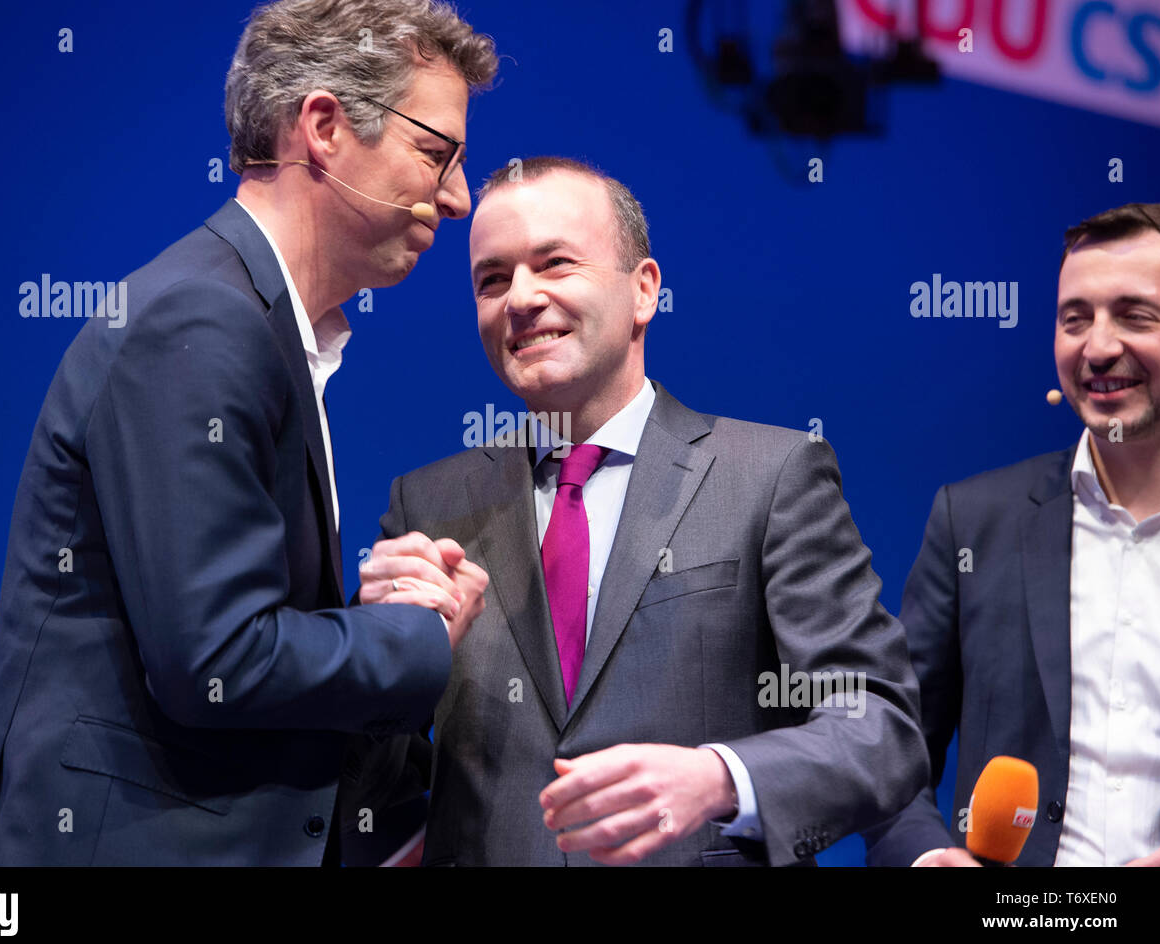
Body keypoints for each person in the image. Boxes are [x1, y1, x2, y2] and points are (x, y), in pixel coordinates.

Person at [0, 0, 496, 866]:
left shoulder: (250, 319)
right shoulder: (204, 318)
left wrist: (368, 620)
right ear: (323, 127)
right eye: (436, 152)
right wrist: (421, 629)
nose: (458, 198)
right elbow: (220, 657)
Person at [353, 157, 928, 866]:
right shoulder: (429, 504)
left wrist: (721, 777)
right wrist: (376, 659)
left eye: (554, 264)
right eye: (492, 280)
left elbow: (879, 723)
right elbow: (374, 784)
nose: (520, 299)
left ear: (644, 291)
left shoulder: (769, 476)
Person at [865, 202, 1160, 867]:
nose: (1099, 346)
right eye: (1074, 319)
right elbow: (893, 746)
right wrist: (924, 857)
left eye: (1135, 315)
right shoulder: (973, 519)